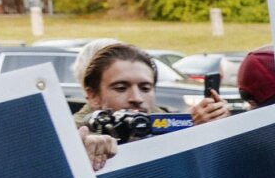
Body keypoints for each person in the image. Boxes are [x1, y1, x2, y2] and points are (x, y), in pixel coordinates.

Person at [75, 41, 229, 143]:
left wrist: (207, 128)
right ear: (93, 96)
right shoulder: (71, 137)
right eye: (121, 88)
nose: (136, 98)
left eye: (145, 88)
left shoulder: (160, 120)